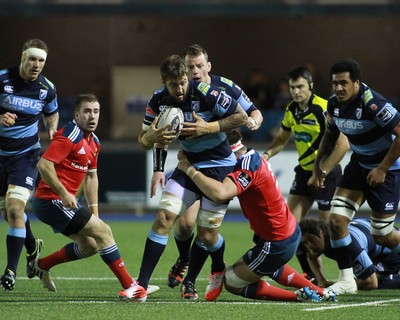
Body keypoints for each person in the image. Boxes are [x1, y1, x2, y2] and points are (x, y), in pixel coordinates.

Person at [130, 54, 248, 302]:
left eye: (183, 81)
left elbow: (241, 116)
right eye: (174, 84)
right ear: (165, 82)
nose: (181, 88)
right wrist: (154, 149)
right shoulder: (158, 100)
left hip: (220, 170)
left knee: (207, 236)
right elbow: (145, 140)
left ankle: (217, 266)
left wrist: (210, 127)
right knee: (164, 217)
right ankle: (140, 285)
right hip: (188, 166)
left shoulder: (205, 91)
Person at [176, 129, 336, 302]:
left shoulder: (246, 167)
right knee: (266, 266)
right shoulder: (253, 157)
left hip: (276, 241)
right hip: (286, 231)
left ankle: (297, 297)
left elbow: (221, 193)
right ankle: (318, 291)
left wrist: (189, 169)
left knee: (232, 280)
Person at [162, 44, 263, 296]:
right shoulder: (181, 92)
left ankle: (195, 277)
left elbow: (253, 113)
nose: (194, 71)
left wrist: (253, 123)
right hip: (194, 163)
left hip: (221, 164)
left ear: (208, 66)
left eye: (199, 66)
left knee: (207, 233)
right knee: (184, 225)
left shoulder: (224, 87)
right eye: (190, 66)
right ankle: (184, 260)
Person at [29, 93, 147, 301]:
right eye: (86, 111)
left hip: (60, 202)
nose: (92, 116)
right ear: (76, 114)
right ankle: (132, 287)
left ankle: (40, 265)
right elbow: (44, 165)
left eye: (96, 111)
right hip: (50, 200)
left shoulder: (94, 142)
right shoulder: (70, 134)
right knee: (104, 232)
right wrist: (64, 192)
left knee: (91, 245)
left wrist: (95, 214)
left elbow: (92, 178)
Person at [310, 58, 400, 294]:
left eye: (344, 83)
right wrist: (318, 166)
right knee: (336, 221)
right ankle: (347, 280)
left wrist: (381, 169)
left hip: (387, 170)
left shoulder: (374, 104)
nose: (339, 88)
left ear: (357, 83)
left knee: (382, 234)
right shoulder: (333, 105)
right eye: (335, 84)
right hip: (358, 165)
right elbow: (330, 135)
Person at [263, 66, 349, 279]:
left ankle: (349, 274)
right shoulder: (292, 109)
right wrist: (265, 155)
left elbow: (343, 145)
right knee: (290, 228)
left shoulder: (323, 108)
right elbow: (282, 139)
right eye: (292, 87)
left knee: (330, 232)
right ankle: (312, 277)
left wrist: (322, 170)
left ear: (310, 86)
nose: (296, 91)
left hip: (326, 174)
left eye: (300, 86)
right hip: (303, 174)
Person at [0, 38, 59, 290]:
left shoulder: (47, 88)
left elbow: (51, 111)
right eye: (32, 59)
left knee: (14, 210)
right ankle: (32, 245)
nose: (36, 65)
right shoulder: (3, 79)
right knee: (8, 213)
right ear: (23, 58)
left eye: (41, 61)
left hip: (26, 156)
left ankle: (10, 272)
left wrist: (53, 129)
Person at [300, 218, 400, 291]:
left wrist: (342, 286)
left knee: (368, 280)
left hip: (389, 252)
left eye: (311, 240)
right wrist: (322, 280)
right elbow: (311, 256)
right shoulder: (323, 238)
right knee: (357, 274)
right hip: (368, 236)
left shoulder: (347, 244)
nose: (309, 246)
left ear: (321, 233)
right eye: (305, 242)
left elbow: (371, 282)